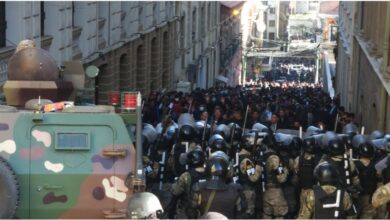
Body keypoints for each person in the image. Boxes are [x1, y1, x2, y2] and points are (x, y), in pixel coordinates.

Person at [189, 151, 244, 219]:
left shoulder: (198, 188)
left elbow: (191, 213)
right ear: (226, 171)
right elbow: (240, 212)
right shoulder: (235, 190)